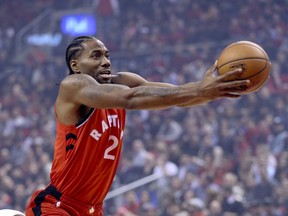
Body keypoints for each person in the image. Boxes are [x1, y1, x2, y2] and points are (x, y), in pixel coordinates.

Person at [25, 35, 250, 216]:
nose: (106, 61)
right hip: (57, 206)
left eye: (106, 55)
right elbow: (130, 99)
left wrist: (215, 89)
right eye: (96, 56)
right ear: (75, 65)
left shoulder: (122, 80)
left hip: (93, 209)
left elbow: (178, 97)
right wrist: (199, 90)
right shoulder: (73, 85)